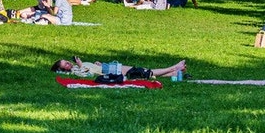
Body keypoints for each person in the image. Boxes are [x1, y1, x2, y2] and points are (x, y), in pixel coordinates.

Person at [51, 57, 187, 79]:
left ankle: (174, 73)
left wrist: (96, 63)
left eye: (67, 61)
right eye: (66, 65)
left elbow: (91, 68)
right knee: (143, 72)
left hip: (107, 67)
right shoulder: (76, 70)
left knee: (142, 72)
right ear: (65, 70)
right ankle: (173, 68)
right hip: (109, 71)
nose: (69, 63)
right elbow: (87, 75)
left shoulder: (76, 66)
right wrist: (81, 65)